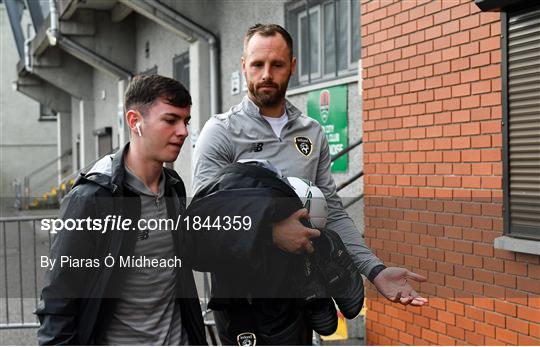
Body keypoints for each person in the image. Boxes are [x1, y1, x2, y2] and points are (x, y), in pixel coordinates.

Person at [192, 23, 428, 344]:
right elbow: (204, 224)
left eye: (276, 64)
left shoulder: (311, 132)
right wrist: (272, 233)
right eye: (257, 64)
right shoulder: (220, 132)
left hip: (302, 292)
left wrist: (375, 270)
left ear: (292, 67)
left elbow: (332, 209)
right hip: (244, 300)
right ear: (243, 65)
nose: (266, 74)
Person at [36, 74, 206, 345]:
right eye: (171, 120)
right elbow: (59, 298)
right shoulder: (91, 198)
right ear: (135, 121)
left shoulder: (174, 187)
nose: (184, 131)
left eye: (185, 121)